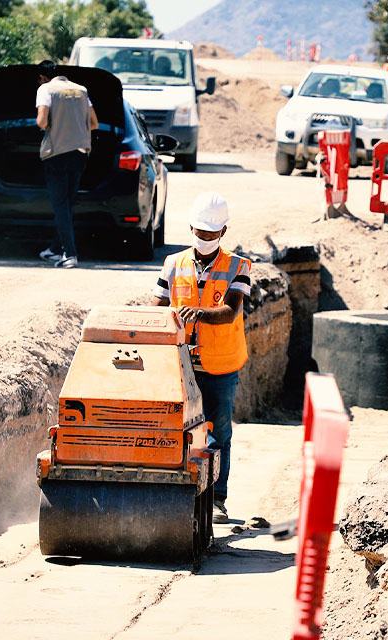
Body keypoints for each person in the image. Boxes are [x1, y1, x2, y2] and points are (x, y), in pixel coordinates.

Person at [152, 193, 253, 523]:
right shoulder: (173, 264)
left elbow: (231, 310)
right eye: (200, 232)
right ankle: (176, 490)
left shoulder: (239, 267)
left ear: (222, 232)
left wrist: (199, 313)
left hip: (220, 364)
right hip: (180, 363)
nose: (204, 239)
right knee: (175, 428)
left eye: (211, 234)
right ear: (191, 228)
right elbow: (157, 307)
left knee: (218, 431)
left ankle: (217, 498)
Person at [36, 60, 99, 269]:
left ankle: (70, 254)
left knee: (60, 205)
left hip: (56, 153)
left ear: (42, 78)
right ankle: (54, 249)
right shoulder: (81, 90)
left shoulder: (45, 89)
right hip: (80, 153)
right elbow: (94, 123)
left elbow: (42, 121)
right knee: (68, 203)